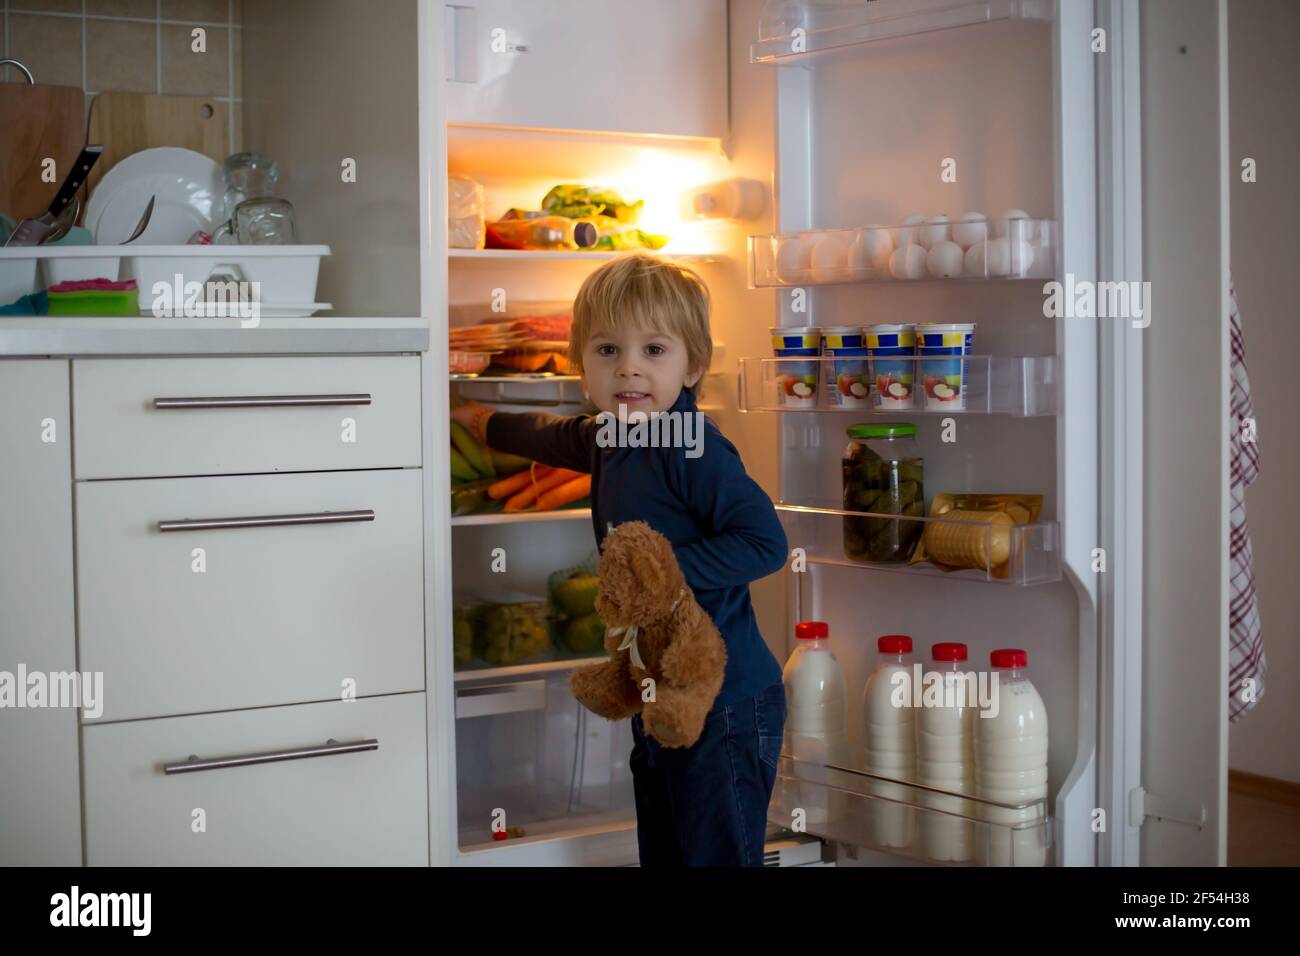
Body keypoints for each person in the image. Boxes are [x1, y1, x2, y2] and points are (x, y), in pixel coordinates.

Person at [451, 252, 788, 866]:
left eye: (654, 351)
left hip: (726, 701)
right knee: (664, 851)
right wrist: (484, 422)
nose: (629, 369)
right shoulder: (613, 433)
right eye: (608, 350)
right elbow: (553, 438)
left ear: (694, 365)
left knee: (715, 856)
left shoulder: (694, 449)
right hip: (655, 689)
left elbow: (765, 543)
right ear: (583, 362)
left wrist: (660, 576)